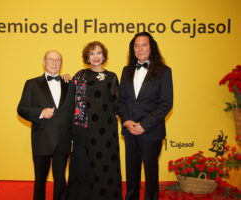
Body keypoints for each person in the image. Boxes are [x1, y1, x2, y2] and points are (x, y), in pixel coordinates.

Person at [119, 32, 173, 200]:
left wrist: (144, 125)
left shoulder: (164, 71)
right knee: (131, 171)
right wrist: (126, 121)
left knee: (151, 173)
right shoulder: (126, 70)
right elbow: (121, 100)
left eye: (144, 45)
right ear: (132, 49)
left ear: (151, 47)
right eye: (136, 45)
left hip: (151, 131)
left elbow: (166, 103)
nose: (140, 49)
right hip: (129, 129)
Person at [67, 41, 122, 200]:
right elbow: (71, 101)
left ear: (103, 55)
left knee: (104, 164)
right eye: (92, 54)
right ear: (87, 57)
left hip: (106, 132)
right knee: (83, 166)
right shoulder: (80, 75)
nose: (96, 57)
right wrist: (64, 78)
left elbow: (117, 104)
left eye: (98, 53)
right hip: (84, 130)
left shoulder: (111, 77)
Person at [17, 50, 74, 200]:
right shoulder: (32, 84)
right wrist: (40, 113)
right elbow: (22, 109)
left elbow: (75, 112)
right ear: (44, 62)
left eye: (58, 60)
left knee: (61, 180)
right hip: (42, 139)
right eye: (51, 60)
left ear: (61, 63)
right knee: (40, 180)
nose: (55, 63)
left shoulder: (70, 84)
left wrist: (74, 138)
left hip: (63, 140)